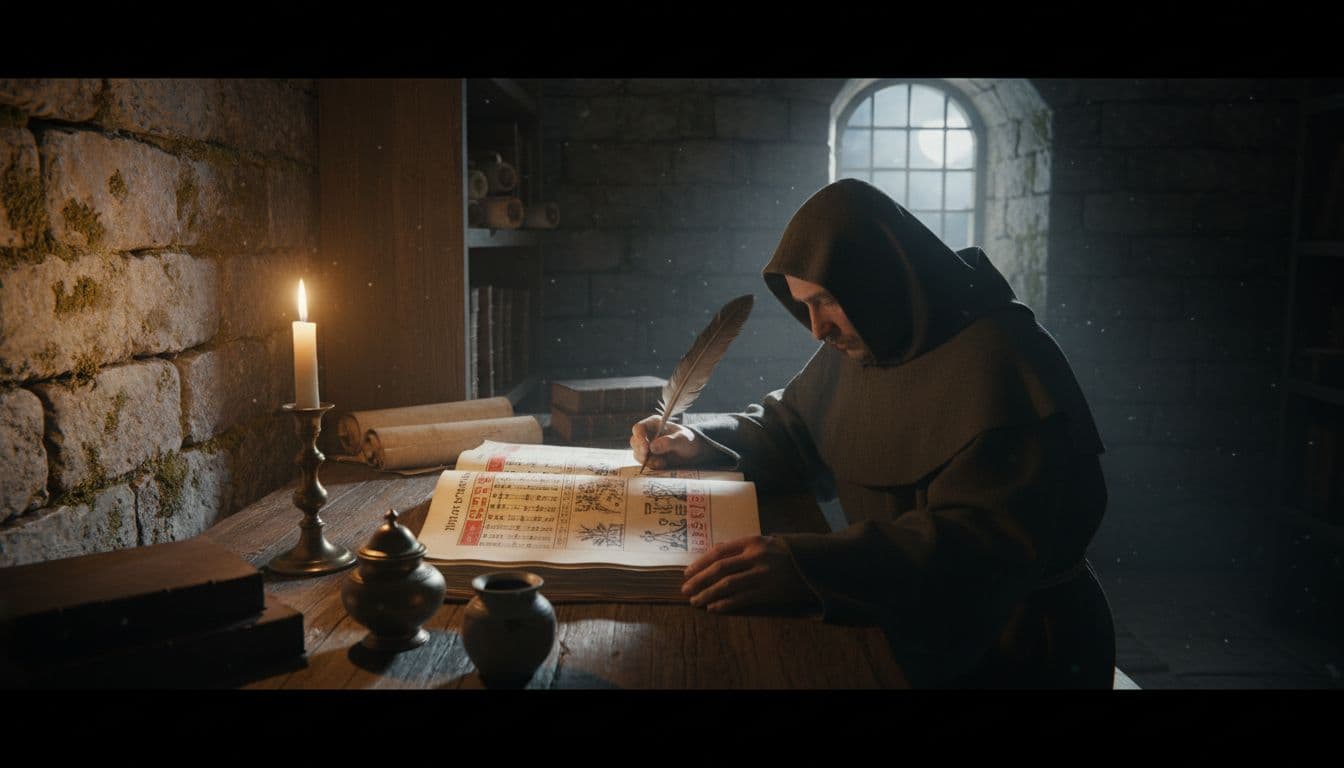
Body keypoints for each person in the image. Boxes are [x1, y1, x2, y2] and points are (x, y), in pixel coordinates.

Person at [631, 179, 1115, 688]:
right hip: (909, 615)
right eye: (804, 306)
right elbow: (792, 429)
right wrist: (698, 439)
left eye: (825, 302)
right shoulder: (878, 331)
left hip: (1014, 650)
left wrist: (809, 564)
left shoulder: (1005, 359)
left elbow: (977, 545)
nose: (817, 329)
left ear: (879, 280)